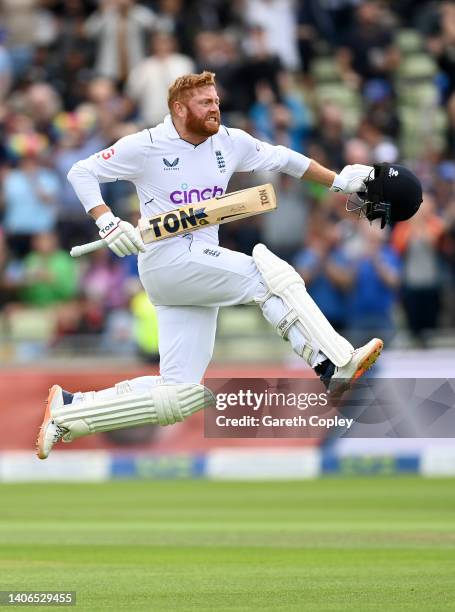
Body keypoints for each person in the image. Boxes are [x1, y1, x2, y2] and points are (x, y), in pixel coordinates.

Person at [37, 70, 385, 459]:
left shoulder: (230, 142)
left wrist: (338, 181)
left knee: (180, 394)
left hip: (194, 268)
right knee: (270, 276)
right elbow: (80, 171)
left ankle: (70, 410)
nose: (215, 108)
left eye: (216, 101)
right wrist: (107, 220)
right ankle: (330, 362)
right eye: (205, 103)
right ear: (179, 108)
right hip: (168, 260)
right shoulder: (147, 145)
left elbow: (286, 159)